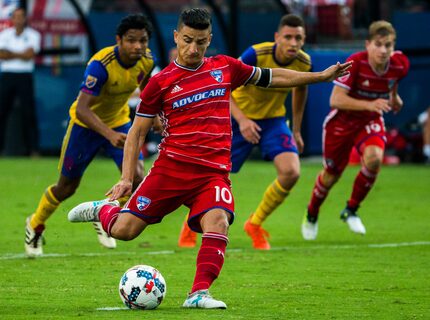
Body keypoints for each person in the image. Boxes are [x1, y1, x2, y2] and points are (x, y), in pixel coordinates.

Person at [67, 8, 351, 309]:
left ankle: (198, 293)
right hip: (171, 169)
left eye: (200, 42)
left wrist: (319, 76)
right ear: (176, 36)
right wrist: (126, 178)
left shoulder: (225, 67)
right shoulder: (159, 82)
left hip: (212, 173)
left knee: (218, 221)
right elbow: (137, 131)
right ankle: (105, 211)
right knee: (125, 231)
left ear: (209, 39)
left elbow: (272, 77)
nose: (193, 48)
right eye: (187, 40)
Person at [24, 14, 155, 258]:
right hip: (85, 126)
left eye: (143, 41)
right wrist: (108, 134)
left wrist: (155, 117)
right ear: (119, 40)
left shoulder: (146, 61)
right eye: (131, 40)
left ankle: (106, 214)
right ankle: (35, 224)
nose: (137, 46)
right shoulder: (101, 65)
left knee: (137, 177)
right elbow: (83, 108)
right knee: (66, 187)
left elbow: (147, 90)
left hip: (120, 122)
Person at [178, 14, 311, 250]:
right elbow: (223, 84)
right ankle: (190, 226)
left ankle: (255, 224)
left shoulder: (303, 61)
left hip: (273, 120)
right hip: (234, 118)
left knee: (291, 172)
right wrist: (242, 120)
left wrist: (297, 130)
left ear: (304, 39)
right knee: (210, 176)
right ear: (277, 37)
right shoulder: (256, 54)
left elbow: (300, 91)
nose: (293, 42)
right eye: (288, 37)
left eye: (298, 38)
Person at [301, 20, 410, 240]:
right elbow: (336, 99)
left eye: (388, 45)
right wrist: (371, 104)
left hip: (369, 120)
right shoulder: (355, 63)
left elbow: (393, 82)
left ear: (393, 46)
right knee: (331, 176)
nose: (383, 50)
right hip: (341, 123)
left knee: (374, 159)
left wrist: (393, 96)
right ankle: (312, 213)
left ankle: (351, 209)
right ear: (367, 44)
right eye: (378, 44)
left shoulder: (400, 64)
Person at [0, 7, 41, 156]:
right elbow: (1, 55)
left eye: (21, 17)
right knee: (2, 112)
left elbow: (29, 54)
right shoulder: (4, 35)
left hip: (24, 75)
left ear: (25, 19)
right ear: (12, 19)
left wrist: (10, 52)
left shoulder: (34, 35)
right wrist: (20, 53)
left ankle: (34, 150)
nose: (18, 20)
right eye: (15, 17)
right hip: (7, 75)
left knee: (28, 113)